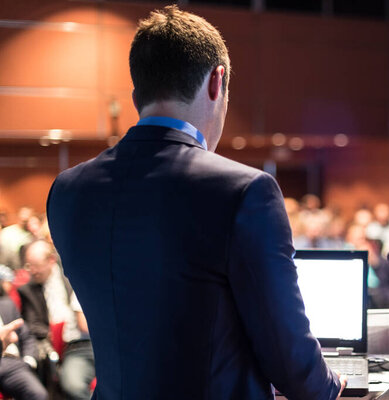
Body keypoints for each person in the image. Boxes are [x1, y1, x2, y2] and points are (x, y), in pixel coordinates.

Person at [46, 6, 344, 400]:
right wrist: (328, 386)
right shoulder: (244, 190)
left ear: (137, 93)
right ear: (217, 81)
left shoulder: (67, 190)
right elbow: (288, 354)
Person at [19, 240, 94, 400]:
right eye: (28, 266)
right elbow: (32, 324)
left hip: (93, 336)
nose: (32, 271)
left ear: (51, 260)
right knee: (72, 385)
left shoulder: (72, 276)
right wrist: (53, 333)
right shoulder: (27, 290)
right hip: (71, 346)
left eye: (36, 265)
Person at [0, 285, 47, 400]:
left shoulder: (7, 305)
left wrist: (28, 360)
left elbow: (26, 336)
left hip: (12, 363)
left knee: (38, 394)